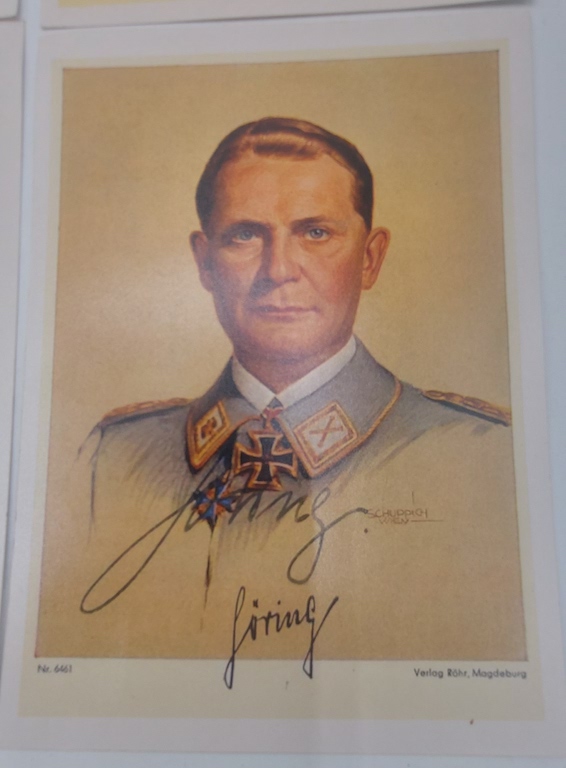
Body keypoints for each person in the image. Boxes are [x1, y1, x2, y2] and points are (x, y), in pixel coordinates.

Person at [36, 118, 525, 664]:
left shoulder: (481, 454)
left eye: (315, 233)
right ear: (204, 263)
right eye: (245, 235)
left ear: (369, 258)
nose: (278, 269)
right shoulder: (114, 459)